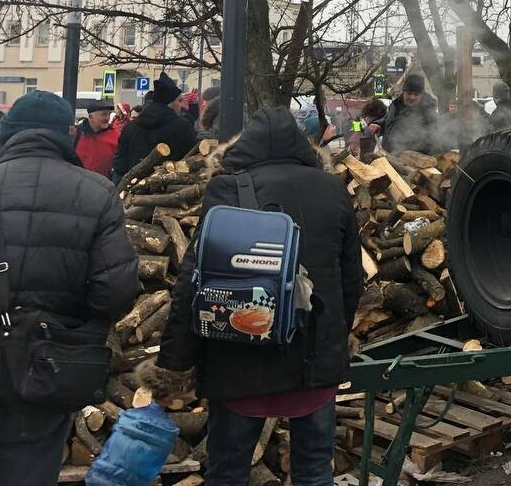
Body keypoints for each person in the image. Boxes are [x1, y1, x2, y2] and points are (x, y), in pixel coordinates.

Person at [145, 106, 362, 486]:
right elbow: (352, 280)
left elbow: (194, 283)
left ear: (243, 147)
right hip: (313, 361)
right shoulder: (332, 188)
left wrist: (172, 368)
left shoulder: (227, 188)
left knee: (228, 472)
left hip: (238, 360)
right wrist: (335, 338)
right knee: (313, 471)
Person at [0, 91, 138, 485]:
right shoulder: (96, 192)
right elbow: (115, 292)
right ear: (66, 134)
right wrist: (74, 329)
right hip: (45, 363)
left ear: (8, 134)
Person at [112, 73, 197, 182]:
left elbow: (120, 164)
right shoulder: (182, 126)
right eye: (179, 101)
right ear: (169, 103)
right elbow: (192, 159)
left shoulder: (131, 127)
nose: (181, 106)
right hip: (173, 191)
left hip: (132, 190)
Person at [381, 73, 441, 155]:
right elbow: (389, 119)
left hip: (411, 161)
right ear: (403, 93)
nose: (412, 97)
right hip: (388, 155)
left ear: (421, 95)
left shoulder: (428, 112)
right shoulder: (395, 105)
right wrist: (378, 123)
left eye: (416, 94)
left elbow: (432, 140)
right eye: (409, 93)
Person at [73, 98, 123, 179]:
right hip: (78, 184)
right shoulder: (76, 133)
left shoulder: (116, 136)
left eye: (109, 114)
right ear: (90, 116)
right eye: (103, 114)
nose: (107, 118)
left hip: (104, 186)